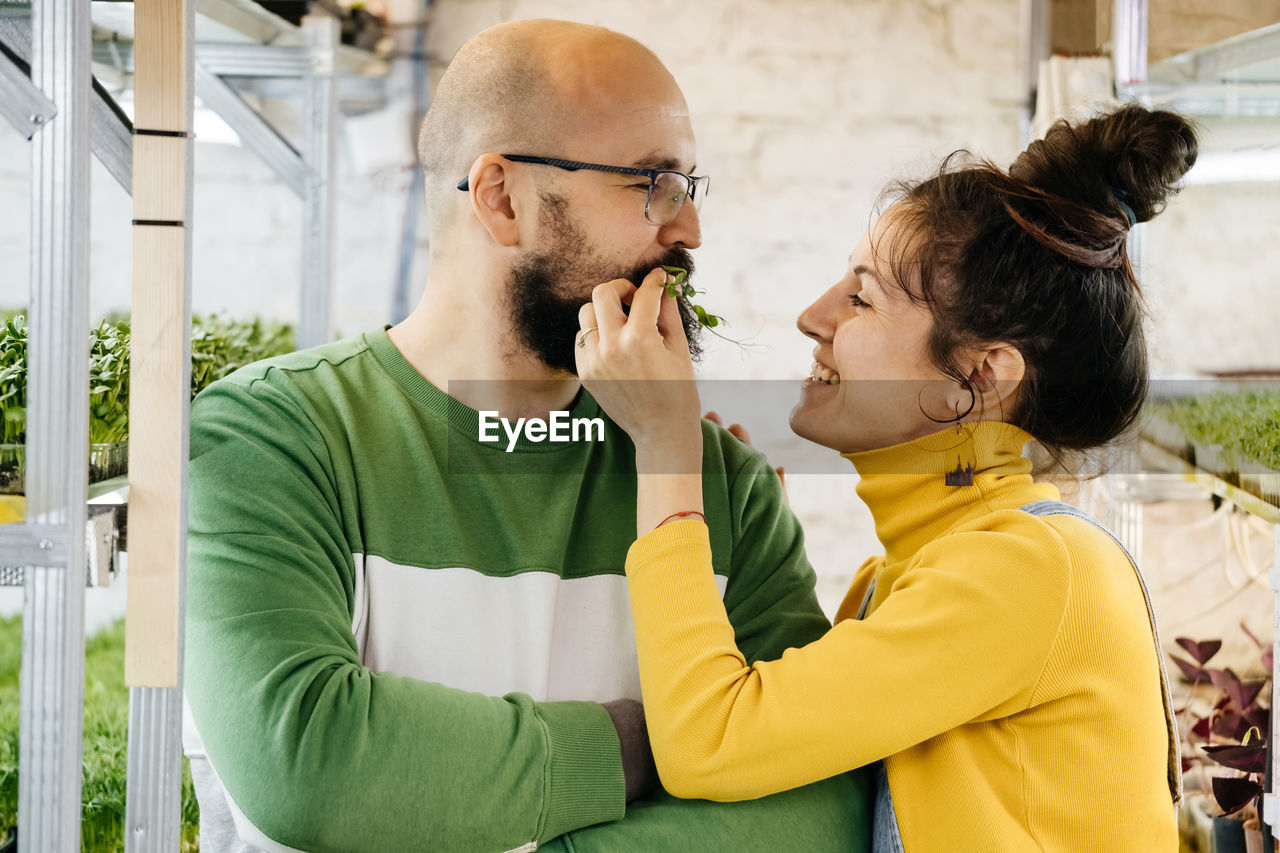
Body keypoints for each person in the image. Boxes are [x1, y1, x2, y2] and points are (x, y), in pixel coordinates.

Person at [182, 18, 871, 853]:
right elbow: (304, 760)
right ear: (500, 198)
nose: (689, 231)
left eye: (688, 185)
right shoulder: (275, 437)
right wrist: (656, 745)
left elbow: (818, 808)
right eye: (651, 182)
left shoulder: (708, 478)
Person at [576, 103, 1196, 851]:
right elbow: (781, 761)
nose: (813, 316)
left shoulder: (1028, 572)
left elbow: (708, 741)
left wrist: (665, 447)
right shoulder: (902, 578)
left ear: (977, 374)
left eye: (861, 297)